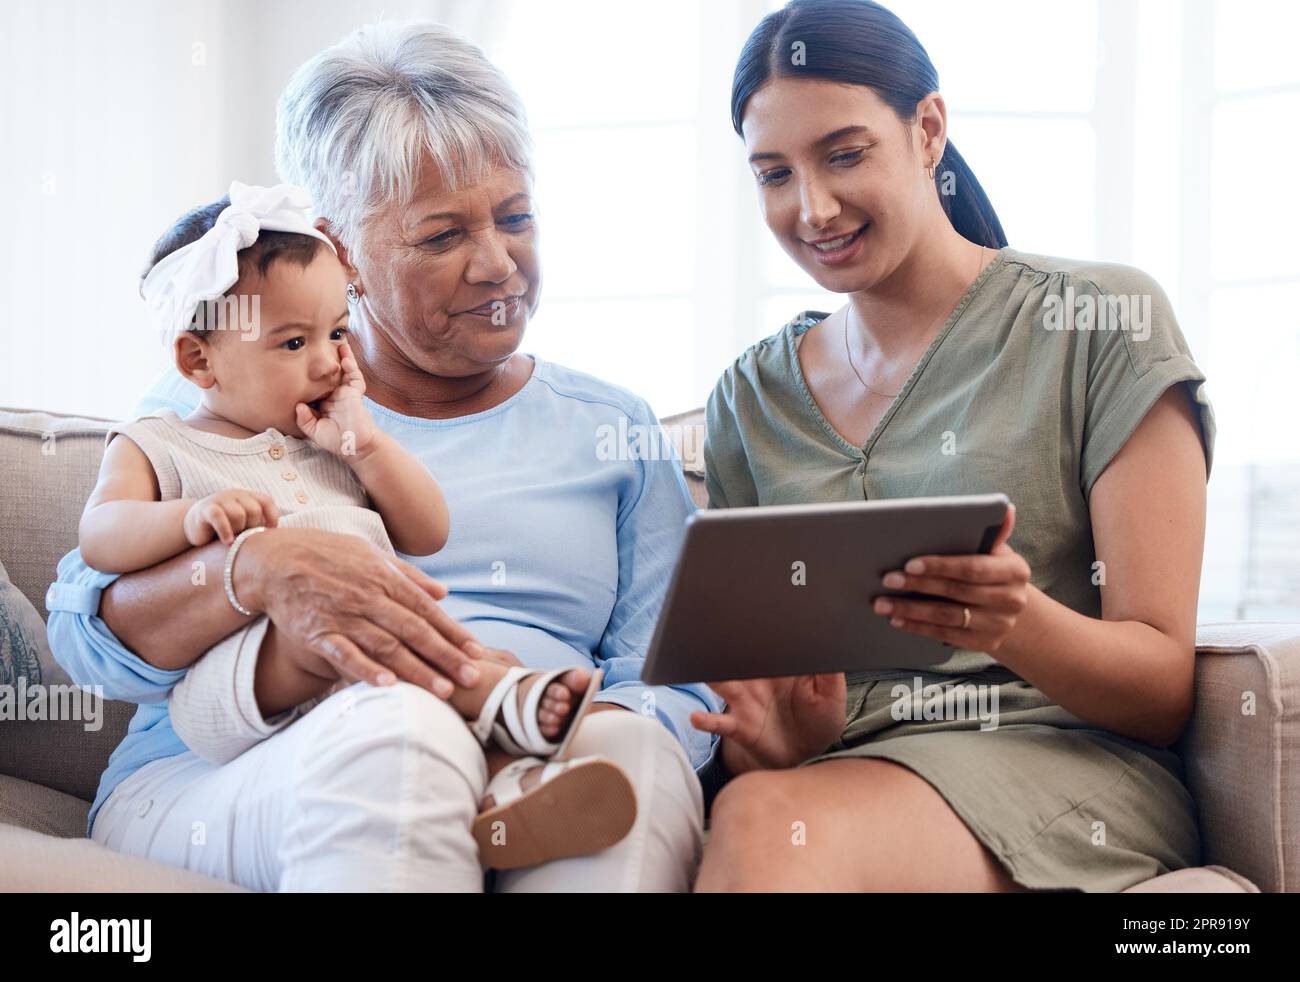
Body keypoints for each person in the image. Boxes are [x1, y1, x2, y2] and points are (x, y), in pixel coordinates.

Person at [47, 21, 718, 893]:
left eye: (516, 218)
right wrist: (250, 569)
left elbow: (677, 681)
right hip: (233, 769)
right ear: (344, 251)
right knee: (404, 742)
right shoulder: (216, 406)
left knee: (635, 754)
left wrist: (540, 730)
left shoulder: (611, 428)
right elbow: (87, 638)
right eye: (441, 237)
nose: (497, 264)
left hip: (525, 748)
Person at [691, 0, 1215, 893]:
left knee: (771, 823)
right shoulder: (749, 400)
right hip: (843, 785)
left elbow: (1163, 688)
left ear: (928, 131)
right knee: (763, 808)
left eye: (844, 155)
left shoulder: (1096, 323)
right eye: (774, 173)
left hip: (1053, 767)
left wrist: (1019, 623)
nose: (811, 208)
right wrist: (778, 745)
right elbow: (771, 705)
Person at [77, 181, 637, 870]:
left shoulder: (329, 443)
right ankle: (505, 709)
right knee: (371, 640)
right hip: (237, 688)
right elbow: (101, 535)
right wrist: (188, 518)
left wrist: (365, 445)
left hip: (362, 686)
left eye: (336, 332)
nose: (326, 361)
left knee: (443, 654)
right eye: (291, 342)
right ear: (199, 360)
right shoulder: (159, 443)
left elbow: (427, 533)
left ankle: (505, 790)